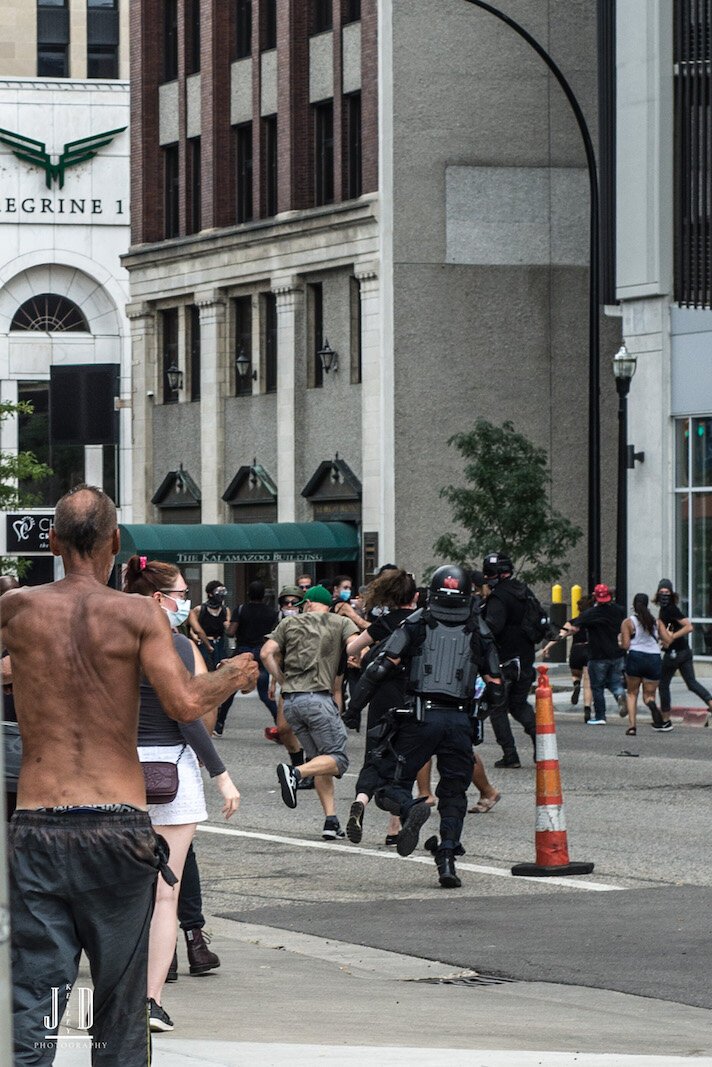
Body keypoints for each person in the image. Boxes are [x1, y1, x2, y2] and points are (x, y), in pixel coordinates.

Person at [4, 484, 258, 1067]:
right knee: (117, 998)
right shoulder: (137, 613)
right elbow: (185, 702)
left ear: (52, 541)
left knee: (36, 991)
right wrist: (234, 673)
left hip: (37, 823)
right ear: (115, 543)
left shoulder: (17, 609)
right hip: (117, 828)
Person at [125, 555, 242, 1033]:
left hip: (111, 770)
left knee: (115, 891)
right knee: (164, 893)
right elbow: (185, 714)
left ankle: (112, 993)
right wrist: (221, 774)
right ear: (158, 598)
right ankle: (149, 1001)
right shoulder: (169, 642)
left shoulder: (104, 639)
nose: (185, 602)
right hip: (170, 772)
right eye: (179, 595)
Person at [347, 565, 503, 888]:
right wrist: (479, 713)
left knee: (389, 785)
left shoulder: (418, 621)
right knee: (454, 793)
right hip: (459, 719)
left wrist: (353, 708)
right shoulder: (477, 627)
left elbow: (379, 667)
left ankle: (410, 807)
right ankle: (447, 859)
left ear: (431, 592)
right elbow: (496, 684)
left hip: (420, 716)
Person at [261, 584, 359, 839]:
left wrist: (281, 680)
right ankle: (295, 773)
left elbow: (266, 653)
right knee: (338, 759)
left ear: (308, 603)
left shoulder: (288, 624)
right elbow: (354, 647)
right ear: (328, 603)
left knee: (320, 761)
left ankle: (330, 821)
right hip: (318, 698)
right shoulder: (340, 622)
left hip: (292, 703)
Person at [342, 569, 418, 847]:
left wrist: (359, 647)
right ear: (416, 597)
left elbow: (353, 649)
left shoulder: (384, 623)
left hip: (381, 694)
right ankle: (395, 826)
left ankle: (360, 800)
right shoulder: (421, 622)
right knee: (404, 760)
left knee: (375, 754)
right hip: (411, 696)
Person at [481, 552, 537, 767]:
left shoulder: (499, 597)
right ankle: (541, 748)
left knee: (498, 708)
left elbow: (492, 627)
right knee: (519, 704)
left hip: (505, 661)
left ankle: (510, 754)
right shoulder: (524, 590)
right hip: (526, 658)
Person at [557, 583, 626, 725]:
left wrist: (562, 633)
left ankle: (600, 716)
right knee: (614, 681)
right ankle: (619, 695)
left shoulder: (590, 614)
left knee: (597, 686)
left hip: (598, 655)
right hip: (617, 654)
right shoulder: (619, 611)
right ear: (610, 596)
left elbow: (575, 626)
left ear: (595, 597)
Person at [225, 579, 279, 740]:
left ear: (248, 594)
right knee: (264, 693)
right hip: (261, 653)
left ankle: (219, 725)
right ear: (264, 595)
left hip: (242, 652)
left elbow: (230, 632)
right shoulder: (272, 612)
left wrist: (228, 626)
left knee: (230, 690)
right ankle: (280, 722)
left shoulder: (241, 609)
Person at [654, 578, 712, 728]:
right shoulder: (665, 609)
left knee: (663, 683)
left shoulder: (670, 609)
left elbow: (688, 627)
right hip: (684, 650)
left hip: (675, 653)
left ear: (671, 593)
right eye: (662, 592)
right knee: (691, 683)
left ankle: (665, 719)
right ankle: (710, 702)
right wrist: (665, 640)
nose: (664, 595)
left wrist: (671, 637)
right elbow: (670, 629)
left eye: (667, 592)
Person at [619, 592, 665, 736]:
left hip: (636, 657)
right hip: (654, 658)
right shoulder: (657, 622)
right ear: (647, 604)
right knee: (649, 695)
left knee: (632, 693)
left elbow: (626, 646)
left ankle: (632, 726)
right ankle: (651, 703)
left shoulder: (628, 622)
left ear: (634, 605)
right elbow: (667, 640)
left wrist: (619, 642)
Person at [189, 580, 232, 670]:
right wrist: (195, 637)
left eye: (223, 592)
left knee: (222, 669)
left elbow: (229, 630)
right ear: (210, 594)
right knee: (206, 668)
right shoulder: (200, 609)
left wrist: (228, 626)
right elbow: (192, 628)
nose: (221, 595)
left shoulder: (225, 610)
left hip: (220, 644)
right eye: (218, 592)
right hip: (204, 643)